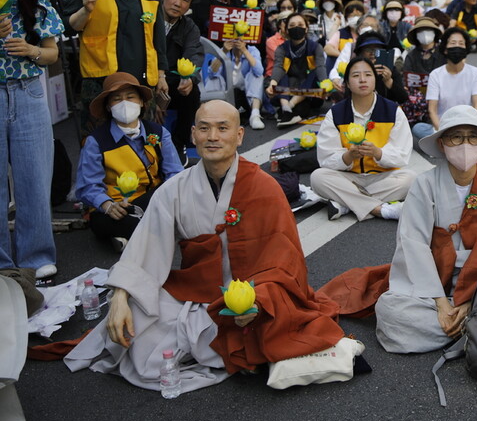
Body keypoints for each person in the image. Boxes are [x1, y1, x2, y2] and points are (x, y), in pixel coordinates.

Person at [64, 100, 357, 392]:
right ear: (193, 135)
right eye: (204, 128)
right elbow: (146, 247)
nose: (213, 136)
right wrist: (119, 298)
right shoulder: (174, 190)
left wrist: (258, 300)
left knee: (269, 326)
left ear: (239, 135)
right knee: (134, 324)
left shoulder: (266, 189)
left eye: (222, 128)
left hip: (257, 296)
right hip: (197, 294)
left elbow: (286, 264)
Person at [320, 106, 477, 353]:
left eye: (473, 137)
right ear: (442, 144)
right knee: (390, 311)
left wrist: (472, 300)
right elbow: (412, 243)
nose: (465, 145)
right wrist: (440, 303)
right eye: (455, 137)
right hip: (433, 280)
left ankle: (472, 324)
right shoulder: (424, 184)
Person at [0, 0, 65, 280]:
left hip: (28, 92)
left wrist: (31, 50)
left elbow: (53, 53)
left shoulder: (33, 2)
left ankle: (37, 255)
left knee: (34, 178)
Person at [64, 0, 168, 133]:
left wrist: (162, 74)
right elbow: (69, 27)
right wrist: (85, 10)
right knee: (98, 142)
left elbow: (158, 35)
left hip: (141, 78)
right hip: (99, 78)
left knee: (144, 139)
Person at [75, 73, 183, 250]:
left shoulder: (158, 132)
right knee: (108, 222)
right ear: (109, 107)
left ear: (141, 102)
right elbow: (88, 185)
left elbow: (174, 173)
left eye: (130, 97)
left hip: (152, 199)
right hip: (116, 207)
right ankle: (150, 231)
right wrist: (107, 205)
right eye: (116, 99)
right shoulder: (96, 141)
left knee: (179, 200)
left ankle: (134, 236)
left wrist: (171, 198)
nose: (124, 103)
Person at [310, 57, 415, 221]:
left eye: (368, 74)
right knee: (318, 177)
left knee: (411, 179)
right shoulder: (336, 113)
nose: (362, 79)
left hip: (382, 176)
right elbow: (325, 158)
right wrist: (348, 156)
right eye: (356, 76)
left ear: (375, 79)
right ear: (348, 83)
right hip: (348, 176)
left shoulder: (393, 111)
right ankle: (380, 210)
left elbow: (402, 155)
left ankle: (345, 203)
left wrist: (378, 153)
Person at [157, 0, 204, 158]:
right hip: (146, 82)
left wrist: (189, 77)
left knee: (192, 92)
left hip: (172, 84)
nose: (178, 3)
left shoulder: (189, 26)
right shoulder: (147, 18)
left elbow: (193, 52)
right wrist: (154, 97)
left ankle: (179, 144)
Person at [414, 27, 477, 141]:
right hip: (443, 125)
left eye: (461, 43)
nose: (457, 47)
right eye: (453, 43)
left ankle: (452, 141)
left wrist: (466, 128)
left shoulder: (475, 73)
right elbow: (432, 110)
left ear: (466, 48)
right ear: (445, 49)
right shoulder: (436, 74)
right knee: (418, 128)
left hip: (468, 124)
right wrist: (442, 131)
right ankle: (454, 140)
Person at [267, 13, 327, 127]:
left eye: (300, 24)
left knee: (314, 73)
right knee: (282, 73)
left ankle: (287, 108)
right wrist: (272, 84)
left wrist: (325, 86)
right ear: (287, 30)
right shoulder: (282, 48)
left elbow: (320, 67)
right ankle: (286, 107)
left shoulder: (315, 47)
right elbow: (278, 67)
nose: (297, 27)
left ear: (306, 28)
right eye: (292, 25)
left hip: (309, 91)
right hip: (288, 89)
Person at [209, 37, 265, 129]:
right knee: (214, 79)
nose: (238, 40)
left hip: (247, 92)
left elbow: (259, 71)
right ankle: (211, 114)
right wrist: (223, 52)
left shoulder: (253, 50)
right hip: (227, 92)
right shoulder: (222, 50)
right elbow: (211, 73)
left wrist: (244, 51)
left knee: (257, 76)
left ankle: (255, 115)